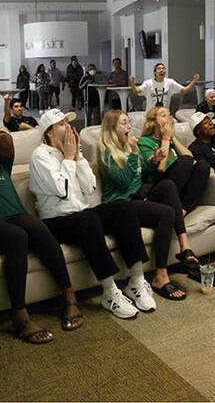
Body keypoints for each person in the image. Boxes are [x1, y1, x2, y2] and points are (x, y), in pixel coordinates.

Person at [0, 132, 83, 342]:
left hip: (17, 215)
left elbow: (5, 140)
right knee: (18, 237)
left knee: (39, 229)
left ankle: (69, 297)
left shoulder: (0, 165)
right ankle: (19, 316)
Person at [29, 109, 154, 318]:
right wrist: (69, 158)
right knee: (88, 219)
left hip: (82, 214)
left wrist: (77, 157)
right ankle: (109, 292)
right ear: (49, 133)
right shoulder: (40, 155)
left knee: (124, 207)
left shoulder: (72, 151)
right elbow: (62, 191)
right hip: (56, 221)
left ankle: (137, 280)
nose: (68, 128)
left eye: (68, 123)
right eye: (61, 124)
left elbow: (90, 188)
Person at [99, 110, 194, 300]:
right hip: (120, 206)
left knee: (168, 185)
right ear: (112, 128)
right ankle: (161, 276)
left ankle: (185, 246)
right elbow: (125, 182)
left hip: (137, 198)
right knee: (167, 213)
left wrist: (155, 160)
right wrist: (135, 153)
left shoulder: (128, 147)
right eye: (124, 123)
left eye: (129, 122)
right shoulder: (107, 154)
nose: (129, 127)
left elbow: (142, 175)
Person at [138, 107, 210, 222]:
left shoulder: (170, 140)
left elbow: (191, 157)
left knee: (203, 165)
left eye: (169, 114)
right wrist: (165, 139)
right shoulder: (144, 141)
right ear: (153, 121)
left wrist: (172, 138)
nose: (170, 118)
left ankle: (183, 210)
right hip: (160, 188)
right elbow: (161, 168)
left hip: (179, 189)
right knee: (185, 161)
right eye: (163, 115)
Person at [130, 63, 199, 112]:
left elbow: (185, 90)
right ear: (155, 72)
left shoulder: (170, 82)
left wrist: (194, 81)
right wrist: (132, 83)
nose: (161, 70)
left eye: (163, 68)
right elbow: (136, 91)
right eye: (159, 69)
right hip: (151, 116)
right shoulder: (148, 83)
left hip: (164, 115)